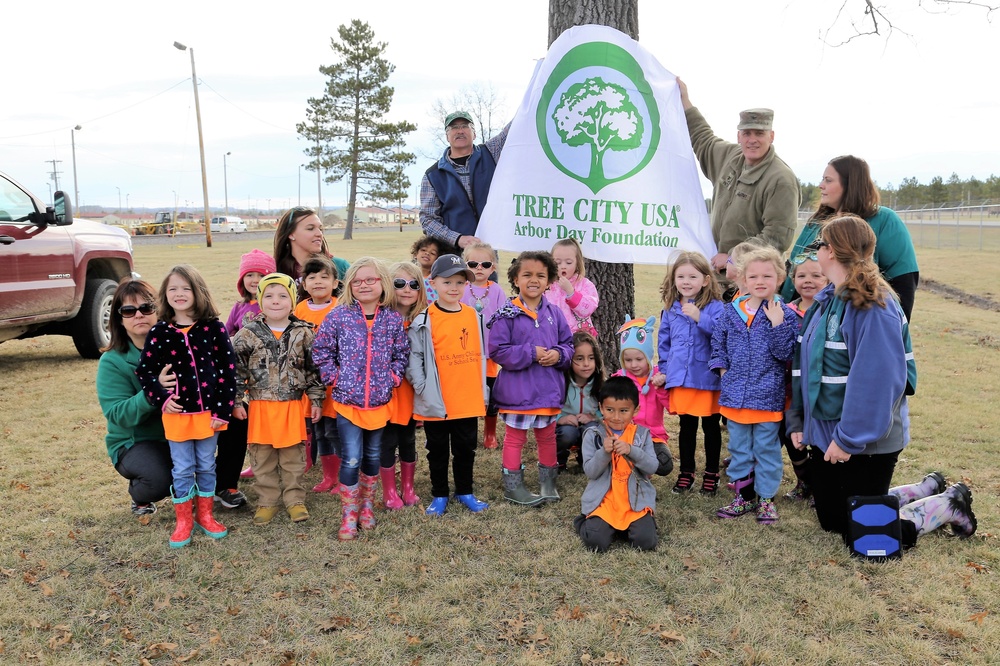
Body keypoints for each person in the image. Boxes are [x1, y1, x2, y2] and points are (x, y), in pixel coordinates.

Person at [786, 215, 976, 546]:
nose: (816, 253)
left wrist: (847, 440)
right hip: (830, 430)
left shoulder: (872, 305)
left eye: (819, 246)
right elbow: (807, 366)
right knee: (831, 520)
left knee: (862, 534)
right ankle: (921, 489)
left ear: (830, 252)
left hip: (867, 439)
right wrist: (801, 420)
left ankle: (947, 504)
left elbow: (876, 383)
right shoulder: (828, 299)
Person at [135, 265, 236, 548]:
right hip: (177, 416)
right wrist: (163, 399)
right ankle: (184, 520)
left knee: (206, 464)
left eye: (186, 288)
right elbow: (144, 372)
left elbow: (228, 371)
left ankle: (205, 515)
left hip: (209, 416)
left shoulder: (213, 328)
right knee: (182, 468)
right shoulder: (159, 332)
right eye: (173, 289)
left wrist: (222, 411)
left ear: (198, 292)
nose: (179, 294)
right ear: (164, 295)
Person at [312, 258, 409, 541]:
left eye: (371, 280)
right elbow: (321, 350)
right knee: (352, 458)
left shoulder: (391, 319)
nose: (364, 285)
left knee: (373, 456)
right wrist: (334, 377)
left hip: (379, 402)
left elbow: (401, 353)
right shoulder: (339, 316)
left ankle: (367, 506)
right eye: (358, 281)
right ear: (349, 286)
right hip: (347, 403)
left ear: (382, 283)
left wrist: (393, 377)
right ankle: (349, 513)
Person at [678, 78, 799, 281]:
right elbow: (703, 138)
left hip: (751, 284)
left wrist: (734, 255)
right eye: (747, 133)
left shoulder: (781, 179)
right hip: (716, 277)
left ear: (772, 136)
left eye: (759, 133)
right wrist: (684, 100)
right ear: (738, 136)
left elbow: (777, 237)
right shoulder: (730, 157)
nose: (752, 139)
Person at [710, 247, 798, 525]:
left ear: (780, 278)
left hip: (767, 397)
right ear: (743, 280)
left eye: (767, 276)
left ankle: (766, 499)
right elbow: (718, 344)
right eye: (754, 276)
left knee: (766, 450)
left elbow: (785, 353)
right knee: (739, 450)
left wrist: (777, 324)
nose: (760, 281)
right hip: (734, 397)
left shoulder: (784, 313)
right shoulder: (730, 312)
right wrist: (723, 371)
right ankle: (743, 496)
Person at [232, 273, 324, 525]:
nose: (276, 301)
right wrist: (237, 400)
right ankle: (267, 501)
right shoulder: (247, 334)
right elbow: (236, 371)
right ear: (260, 301)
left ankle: (295, 499)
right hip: (260, 406)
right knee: (262, 457)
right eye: (269, 296)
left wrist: (316, 400)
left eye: (283, 295)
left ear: (293, 301)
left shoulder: (304, 333)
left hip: (292, 406)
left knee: (293, 457)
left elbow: (313, 370)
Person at [780, 155, 919, 322]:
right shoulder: (816, 223)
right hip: (803, 323)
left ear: (850, 185)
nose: (821, 185)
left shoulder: (884, 220)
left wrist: (894, 326)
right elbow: (794, 269)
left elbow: (903, 281)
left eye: (828, 180)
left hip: (853, 322)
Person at [488, 250, 574, 507]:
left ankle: (548, 483)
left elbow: (568, 345)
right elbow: (497, 350)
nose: (533, 280)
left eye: (540, 275)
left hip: (548, 390)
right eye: (527, 275)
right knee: (515, 438)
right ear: (516, 279)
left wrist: (558, 355)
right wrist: (530, 353)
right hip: (518, 392)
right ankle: (513, 487)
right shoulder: (506, 314)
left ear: (549, 282)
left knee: (547, 436)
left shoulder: (555, 313)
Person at [407, 255, 490, 515]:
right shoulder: (424, 319)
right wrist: (422, 387)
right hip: (438, 399)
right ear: (433, 283)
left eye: (459, 282)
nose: (454, 288)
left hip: (467, 397)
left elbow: (480, 353)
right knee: (438, 450)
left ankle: (465, 490)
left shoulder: (472, 315)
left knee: (466, 448)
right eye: (447, 282)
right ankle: (439, 494)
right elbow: (415, 359)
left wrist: (481, 388)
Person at [96, 278, 178, 519]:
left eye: (146, 308)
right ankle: (140, 495)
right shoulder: (113, 361)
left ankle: (224, 487)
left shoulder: (176, 347)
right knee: (160, 481)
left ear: (158, 310)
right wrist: (154, 391)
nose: (139, 315)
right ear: (119, 320)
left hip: (179, 432)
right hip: (134, 441)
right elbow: (117, 414)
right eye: (128, 311)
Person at [657, 251, 725, 495]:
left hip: (707, 378)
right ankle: (686, 472)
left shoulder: (716, 308)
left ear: (706, 280)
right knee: (686, 428)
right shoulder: (670, 309)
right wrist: (665, 370)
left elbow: (723, 335)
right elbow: (664, 344)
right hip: (682, 379)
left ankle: (711, 473)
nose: (686, 281)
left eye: (692, 276)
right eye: (681, 276)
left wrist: (700, 318)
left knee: (710, 428)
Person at [574, 376, 660, 553]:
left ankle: (629, 526)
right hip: (605, 500)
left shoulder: (642, 435)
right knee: (596, 543)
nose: (616, 417)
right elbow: (591, 472)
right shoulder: (593, 434)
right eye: (610, 409)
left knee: (645, 542)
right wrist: (604, 452)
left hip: (634, 500)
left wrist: (631, 450)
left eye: (623, 411)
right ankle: (588, 522)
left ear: (635, 410)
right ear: (601, 408)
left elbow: (652, 467)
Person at [218, 249, 276, 504]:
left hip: (267, 376)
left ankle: (270, 465)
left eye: (261, 275)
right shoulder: (240, 307)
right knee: (246, 423)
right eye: (249, 275)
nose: (254, 280)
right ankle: (251, 463)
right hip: (242, 376)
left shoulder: (274, 304)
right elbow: (227, 333)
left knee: (265, 423)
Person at [419, 111, 510, 256]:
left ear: (474, 133)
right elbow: (428, 220)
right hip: (452, 254)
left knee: (489, 280)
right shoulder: (432, 175)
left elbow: (514, 128)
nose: (460, 131)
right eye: (454, 127)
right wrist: (458, 239)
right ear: (447, 136)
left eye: (465, 126)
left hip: (486, 252)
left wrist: (536, 95)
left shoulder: (490, 153)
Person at [780, 252, 828, 501]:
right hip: (789, 390)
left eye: (816, 275)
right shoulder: (785, 311)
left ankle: (821, 485)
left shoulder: (829, 311)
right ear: (792, 279)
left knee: (817, 439)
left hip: (818, 389)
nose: (807, 280)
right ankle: (804, 481)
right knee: (792, 438)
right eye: (801, 275)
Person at [292, 255, 342, 492]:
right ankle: (328, 476)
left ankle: (343, 476)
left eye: (325, 277)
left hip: (333, 383)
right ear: (303, 283)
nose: (318, 281)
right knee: (318, 430)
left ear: (335, 282)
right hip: (310, 382)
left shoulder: (341, 307)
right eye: (312, 277)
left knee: (334, 431)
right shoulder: (299, 309)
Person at [381, 261, 427, 510]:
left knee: (408, 439)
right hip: (387, 391)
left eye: (414, 284)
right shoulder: (380, 319)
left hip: (412, 391)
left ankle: (408, 488)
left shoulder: (424, 320)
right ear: (389, 286)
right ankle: (389, 491)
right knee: (387, 441)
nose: (407, 289)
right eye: (399, 283)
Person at [612, 317, 674, 479]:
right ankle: (631, 466)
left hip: (654, 435)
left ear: (648, 356)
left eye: (639, 359)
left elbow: (672, 409)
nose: (633, 365)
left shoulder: (658, 377)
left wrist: (660, 388)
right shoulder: (619, 379)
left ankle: (640, 465)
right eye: (628, 360)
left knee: (664, 464)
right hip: (626, 435)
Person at [460, 242, 508, 449]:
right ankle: (468, 432)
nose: (479, 268)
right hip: (466, 352)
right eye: (473, 263)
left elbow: (505, 320)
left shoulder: (497, 291)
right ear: (465, 266)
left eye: (485, 263)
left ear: (493, 268)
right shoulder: (460, 288)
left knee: (492, 393)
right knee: (469, 393)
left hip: (490, 354)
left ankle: (490, 433)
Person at [556, 331, 605, 472]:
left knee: (592, 430)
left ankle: (586, 459)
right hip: (565, 427)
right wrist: (561, 419)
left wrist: (593, 417)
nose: (586, 364)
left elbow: (607, 410)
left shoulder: (600, 384)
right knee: (568, 434)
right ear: (570, 360)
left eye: (591, 358)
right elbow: (549, 409)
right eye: (579, 358)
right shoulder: (561, 382)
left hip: (589, 426)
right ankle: (559, 460)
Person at [273, 206, 351, 284]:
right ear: (291, 234)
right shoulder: (275, 271)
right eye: (310, 228)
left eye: (320, 229)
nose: (319, 234)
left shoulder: (340, 266)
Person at [544, 238, 599, 337]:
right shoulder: (547, 285)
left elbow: (587, 310)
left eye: (568, 262)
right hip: (552, 336)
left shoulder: (585, 285)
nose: (563, 266)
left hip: (578, 337)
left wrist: (571, 292)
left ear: (577, 263)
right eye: (558, 263)